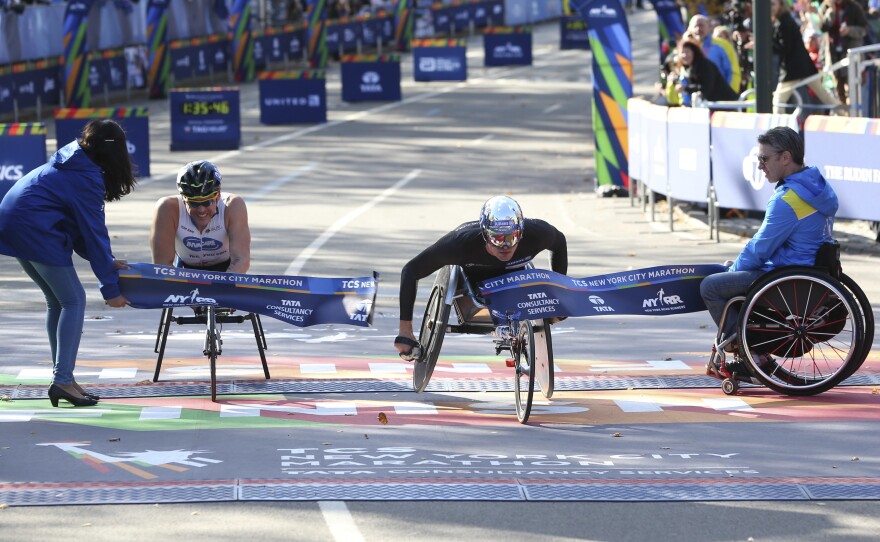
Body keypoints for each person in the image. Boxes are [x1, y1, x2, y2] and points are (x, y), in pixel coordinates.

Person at [0, 120, 136, 407]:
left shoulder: (75, 160)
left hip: (14, 222)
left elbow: (77, 229)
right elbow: (94, 233)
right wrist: (111, 290)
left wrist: (107, 263)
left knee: (58, 302)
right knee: (74, 300)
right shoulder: (85, 177)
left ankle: (64, 377)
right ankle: (62, 380)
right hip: (32, 227)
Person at [700, 127, 838, 364]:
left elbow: (760, 249)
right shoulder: (820, 188)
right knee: (733, 270)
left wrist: (733, 272)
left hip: (786, 281)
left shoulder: (788, 200)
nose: (760, 165)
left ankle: (748, 353)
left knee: (711, 286)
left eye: (764, 158)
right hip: (811, 276)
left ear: (785, 157)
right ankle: (751, 349)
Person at [394, 195, 568, 359]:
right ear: (485, 234)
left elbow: (560, 242)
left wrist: (558, 295)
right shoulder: (459, 243)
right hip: (476, 285)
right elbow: (410, 271)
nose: (505, 246)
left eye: (511, 237)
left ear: (521, 232)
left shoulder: (537, 234)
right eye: (497, 238)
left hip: (516, 279)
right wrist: (405, 331)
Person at [150, 160, 250, 274]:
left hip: (224, 270)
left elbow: (240, 260)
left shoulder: (232, 206)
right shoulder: (167, 208)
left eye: (207, 202)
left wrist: (222, 289)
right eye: (194, 203)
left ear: (218, 196)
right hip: (184, 269)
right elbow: (162, 265)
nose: (201, 209)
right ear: (183, 199)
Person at [772, 0, 846, 114]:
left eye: (773, 4)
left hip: (793, 69)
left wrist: (766, 44)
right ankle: (845, 115)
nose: (770, 8)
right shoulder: (782, 20)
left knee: (778, 102)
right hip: (803, 66)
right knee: (825, 96)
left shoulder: (784, 22)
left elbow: (785, 47)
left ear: (781, 5)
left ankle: (778, 130)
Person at [820, 0, 869, 105]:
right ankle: (843, 114)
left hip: (851, 53)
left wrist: (849, 30)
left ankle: (854, 115)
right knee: (839, 90)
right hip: (834, 54)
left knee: (852, 89)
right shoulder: (826, 6)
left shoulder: (854, 7)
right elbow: (824, 27)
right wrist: (831, 11)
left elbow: (863, 29)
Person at [676, 39, 740, 106]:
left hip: (726, 105)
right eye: (682, 52)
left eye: (687, 52)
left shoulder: (704, 65)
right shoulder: (688, 68)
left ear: (694, 52)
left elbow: (705, 88)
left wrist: (686, 88)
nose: (684, 55)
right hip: (711, 106)